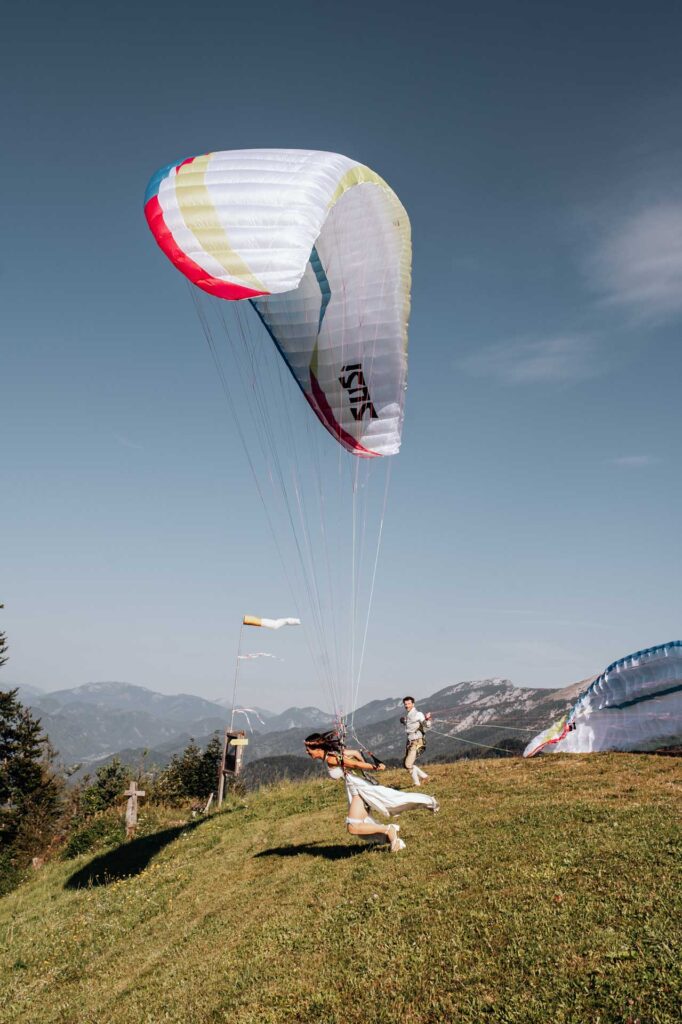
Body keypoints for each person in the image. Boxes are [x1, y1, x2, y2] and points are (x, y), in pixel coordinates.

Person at [304, 732, 438, 853]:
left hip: (359, 790)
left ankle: (389, 830)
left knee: (354, 827)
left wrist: (373, 767)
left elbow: (354, 764)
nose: (307, 752)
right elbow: (356, 753)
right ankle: (392, 838)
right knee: (356, 826)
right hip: (356, 790)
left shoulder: (331, 758)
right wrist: (363, 771)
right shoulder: (334, 754)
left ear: (318, 748)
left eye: (308, 749)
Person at [400, 696, 431, 786]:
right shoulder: (409, 714)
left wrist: (427, 719)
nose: (407, 705)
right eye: (405, 704)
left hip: (416, 741)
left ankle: (420, 780)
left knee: (408, 764)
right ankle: (422, 778)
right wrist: (403, 721)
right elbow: (410, 725)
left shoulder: (418, 714)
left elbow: (427, 725)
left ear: (413, 704)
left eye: (409, 703)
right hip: (410, 741)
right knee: (406, 764)